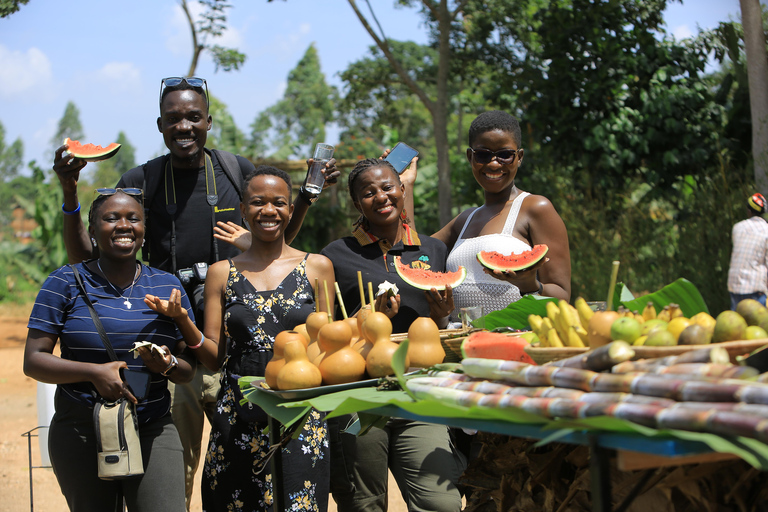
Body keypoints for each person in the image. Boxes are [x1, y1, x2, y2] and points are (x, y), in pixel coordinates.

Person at [51, 76, 339, 508]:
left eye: (193, 117)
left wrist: (271, 229)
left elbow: (273, 232)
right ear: (160, 126)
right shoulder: (142, 178)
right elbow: (91, 254)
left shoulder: (234, 169)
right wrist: (70, 192)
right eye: (173, 119)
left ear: (208, 122)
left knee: (253, 467)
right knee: (174, 473)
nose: (183, 126)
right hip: (174, 345)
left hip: (241, 348)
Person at [23, 189, 198, 512]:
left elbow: (189, 370)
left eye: (133, 218)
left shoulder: (166, 285)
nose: (124, 225)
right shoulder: (64, 282)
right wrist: (94, 373)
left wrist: (168, 364)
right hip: (81, 430)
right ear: (92, 230)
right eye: (111, 218)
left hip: (152, 428)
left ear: (144, 230)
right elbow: (34, 362)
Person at [320, 158, 466, 512]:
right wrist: (367, 317)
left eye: (388, 187)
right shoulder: (335, 255)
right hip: (358, 396)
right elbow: (324, 335)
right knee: (364, 506)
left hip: (419, 392)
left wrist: (442, 313)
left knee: (442, 503)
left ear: (402, 190)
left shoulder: (433, 250)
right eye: (368, 193)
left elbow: (440, 329)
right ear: (357, 204)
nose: (381, 196)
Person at [198, 166, 336, 511]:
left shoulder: (318, 267)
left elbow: (330, 347)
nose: (269, 210)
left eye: (279, 203)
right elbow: (213, 356)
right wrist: (183, 322)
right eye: (258, 202)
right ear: (243, 209)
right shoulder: (221, 273)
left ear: (291, 210)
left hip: (301, 412)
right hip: (238, 414)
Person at [403, 110, 571, 316]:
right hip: (459, 342)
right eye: (483, 155)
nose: (493, 163)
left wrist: (530, 285)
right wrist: (406, 186)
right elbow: (413, 252)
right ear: (470, 157)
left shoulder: (536, 208)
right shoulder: (464, 220)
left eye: (505, 155)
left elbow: (562, 295)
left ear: (519, 157)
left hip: (517, 340)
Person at [728, 192, 768, 310]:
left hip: (735, 287)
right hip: (755, 289)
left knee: (736, 326)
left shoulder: (737, 228)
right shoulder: (766, 231)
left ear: (749, 211)